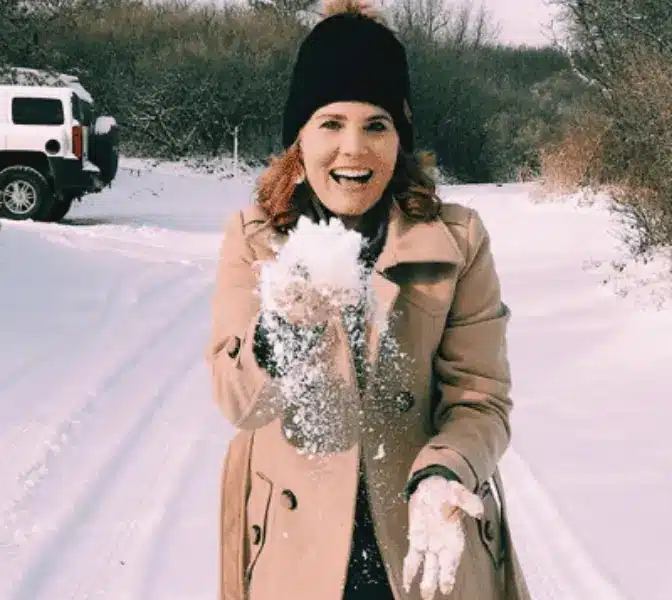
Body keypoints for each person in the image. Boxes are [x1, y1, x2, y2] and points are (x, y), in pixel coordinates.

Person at [206, 1, 530, 599]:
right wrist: (281, 335)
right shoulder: (256, 238)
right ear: (298, 139)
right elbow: (235, 400)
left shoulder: (457, 241)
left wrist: (446, 472)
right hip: (294, 553)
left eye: (376, 126)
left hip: (425, 549)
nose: (353, 149)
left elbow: (481, 400)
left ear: (400, 138)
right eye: (330, 123)